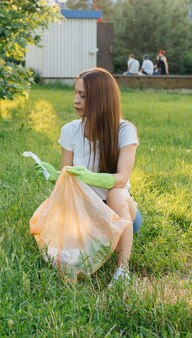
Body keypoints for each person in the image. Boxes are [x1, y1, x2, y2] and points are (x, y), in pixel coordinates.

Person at [34, 67, 141, 286]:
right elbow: (68, 180)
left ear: (100, 99)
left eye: (83, 96)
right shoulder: (70, 130)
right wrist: (54, 175)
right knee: (61, 255)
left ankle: (123, 272)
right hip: (87, 214)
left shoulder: (124, 131)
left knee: (116, 194)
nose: (76, 100)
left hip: (120, 214)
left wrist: (90, 177)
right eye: (76, 93)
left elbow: (121, 178)